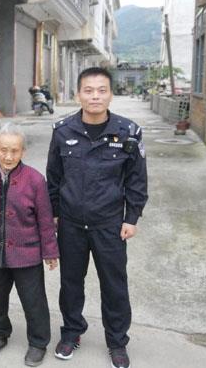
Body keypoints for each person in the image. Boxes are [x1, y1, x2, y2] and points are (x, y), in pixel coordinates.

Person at [46, 67, 148, 368]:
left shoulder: (129, 132)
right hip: (71, 224)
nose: (95, 96)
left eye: (101, 90)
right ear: (78, 94)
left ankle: (117, 341)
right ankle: (71, 332)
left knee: (114, 286)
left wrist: (132, 218)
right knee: (70, 283)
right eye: (88, 90)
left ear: (110, 94)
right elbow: (53, 178)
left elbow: (137, 180)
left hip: (110, 225)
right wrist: (54, 213)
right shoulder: (63, 131)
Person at [0, 123, 59, 367]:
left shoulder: (35, 180)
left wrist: (50, 251)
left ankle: (38, 342)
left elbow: (45, 220)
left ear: (23, 152)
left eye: (14, 151)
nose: (8, 156)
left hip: (27, 254)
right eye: (3, 150)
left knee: (34, 301)